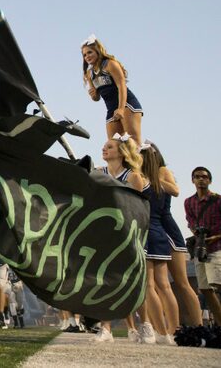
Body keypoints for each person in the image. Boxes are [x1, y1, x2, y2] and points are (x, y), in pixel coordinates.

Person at [92, 134, 147, 343]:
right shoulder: (98, 173)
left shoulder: (133, 176)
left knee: (128, 282)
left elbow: (138, 209)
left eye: (109, 147)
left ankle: (138, 326)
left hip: (127, 234)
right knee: (103, 279)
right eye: (104, 146)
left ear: (122, 152)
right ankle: (105, 328)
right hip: (105, 231)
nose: (104, 149)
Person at [140, 143, 202, 328]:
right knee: (157, 284)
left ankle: (199, 327)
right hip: (151, 226)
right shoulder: (139, 176)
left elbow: (175, 190)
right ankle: (165, 328)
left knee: (182, 282)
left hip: (166, 227)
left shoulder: (162, 170)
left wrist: (152, 179)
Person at [81, 35, 143, 143]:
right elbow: (97, 98)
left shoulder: (110, 64)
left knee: (133, 142)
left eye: (90, 52)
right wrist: (93, 95)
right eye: (84, 54)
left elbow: (121, 85)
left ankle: (148, 159)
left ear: (98, 51)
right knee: (114, 144)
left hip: (126, 104)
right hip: (111, 109)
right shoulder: (89, 73)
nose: (87, 56)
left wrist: (121, 108)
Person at [184, 166, 221, 324]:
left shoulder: (218, 200)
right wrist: (198, 236)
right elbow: (190, 222)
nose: (201, 179)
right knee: (205, 289)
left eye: (205, 177)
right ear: (192, 180)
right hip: (201, 250)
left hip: (217, 247)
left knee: (218, 285)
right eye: (197, 176)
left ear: (210, 180)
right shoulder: (189, 202)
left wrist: (213, 237)